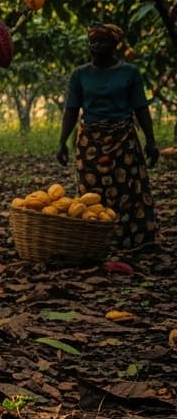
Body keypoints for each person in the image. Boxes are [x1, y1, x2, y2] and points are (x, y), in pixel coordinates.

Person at [56, 24, 161, 252]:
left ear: (115, 45)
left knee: (128, 190)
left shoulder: (129, 72)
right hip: (90, 141)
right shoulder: (80, 74)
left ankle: (131, 241)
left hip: (123, 138)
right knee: (91, 193)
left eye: (102, 41)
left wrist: (151, 142)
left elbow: (141, 108)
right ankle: (95, 242)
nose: (95, 46)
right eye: (93, 41)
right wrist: (62, 142)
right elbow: (71, 110)